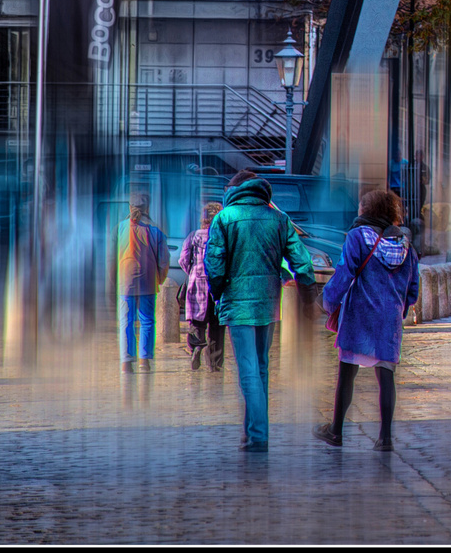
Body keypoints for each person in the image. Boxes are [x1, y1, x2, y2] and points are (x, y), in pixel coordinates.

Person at [205, 169, 315, 452]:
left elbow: (214, 267)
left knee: (248, 371)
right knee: (261, 368)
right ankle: (252, 431)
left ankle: (258, 435)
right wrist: (307, 296)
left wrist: (218, 295)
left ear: (234, 189)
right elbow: (302, 261)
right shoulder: (279, 219)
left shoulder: (224, 219)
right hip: (268, 303)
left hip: (238, 304)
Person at [315, 187, 420, 451]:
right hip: (389, 320)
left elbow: (343, 275)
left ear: (367, 210)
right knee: (386, 376)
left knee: (347, 374)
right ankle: (385, 438)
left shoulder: (357, 237)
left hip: (359, 316)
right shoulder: (407, 246)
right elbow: (413, 289)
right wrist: (398, 311)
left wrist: (324, 303)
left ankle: (336, 431)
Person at [117, 193, 169, 374]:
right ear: (148, 208)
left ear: (129, 207)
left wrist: (113, 282)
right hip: (148, 282)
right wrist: (159, 280)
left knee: (126, 322)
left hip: (125, 282)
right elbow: (163, 261)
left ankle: (126, 363)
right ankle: (144, 362)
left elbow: (110, 259)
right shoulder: (156, 230)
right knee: (147, 321)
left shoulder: (120, 228)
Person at [178, 201, 226, 372]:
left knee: (196, 323)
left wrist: (193, 272)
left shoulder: (193, 236)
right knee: (217, 327)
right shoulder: (222, 236)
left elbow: (183, 259)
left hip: (197, 285)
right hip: (217, 287)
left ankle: (196, 347)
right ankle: (215, 364)